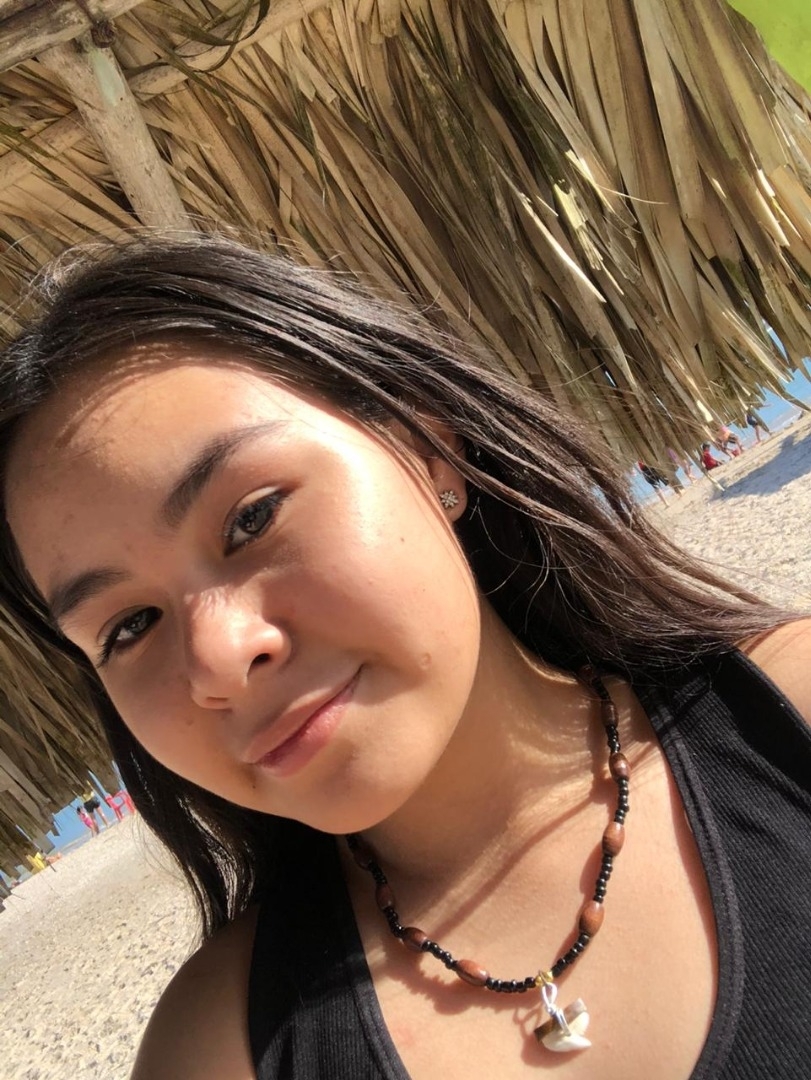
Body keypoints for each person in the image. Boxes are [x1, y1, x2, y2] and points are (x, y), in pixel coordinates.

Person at [0, 235, 809, 1079]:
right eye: (129, 626)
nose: (218, 659)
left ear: (428, 448)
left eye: (252, 518)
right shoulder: (218, 1051)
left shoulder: (791, 711)